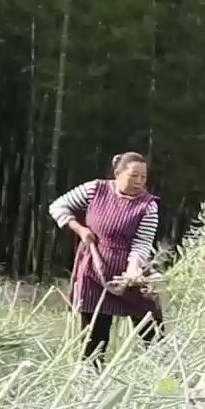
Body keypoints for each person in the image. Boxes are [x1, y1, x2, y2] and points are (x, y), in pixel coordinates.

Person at [48, 152, 164, 362]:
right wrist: (80, 230)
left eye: (143, 177)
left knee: (152, 330)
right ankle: (91, 382)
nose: (139, 181)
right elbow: (57, 206)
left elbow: (142, 243)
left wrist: (133, 270)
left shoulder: (148, 206)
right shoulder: (95, 189)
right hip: (94, 269)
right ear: (118, 173)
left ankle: (162, 375)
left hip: (129, 275)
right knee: (94, 338)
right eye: (134, 176)